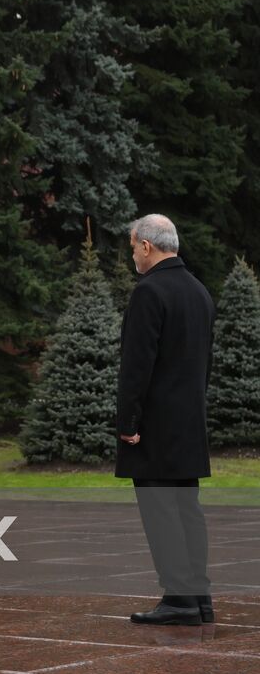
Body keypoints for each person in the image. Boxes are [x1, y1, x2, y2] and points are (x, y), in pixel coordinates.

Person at [117, 214, 216, 626]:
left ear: (146, 246)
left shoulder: (150, 291)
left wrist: (128, 421)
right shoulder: (199, 291)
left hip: (154, 425)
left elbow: (137, 365)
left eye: (133, 247)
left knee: (162, 512)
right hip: (189, 421)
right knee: (186, 510)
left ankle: (178, 599)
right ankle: (198, 597)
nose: (133, 256)